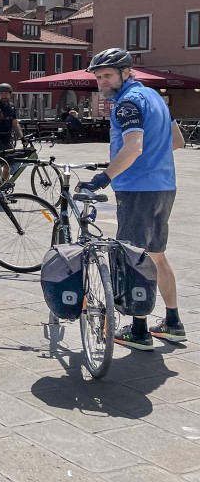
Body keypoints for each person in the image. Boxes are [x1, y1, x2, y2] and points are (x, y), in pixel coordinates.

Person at [77, 48, 186, 350]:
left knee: (132, 258)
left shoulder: (127, 103)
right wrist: (149, 160)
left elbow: (134, 146)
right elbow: (178, 141)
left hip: (137, 190)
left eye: (108, 75)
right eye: (98, 77)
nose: (102, 81)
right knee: (156, 255)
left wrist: (104, 178)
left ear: (127, 73)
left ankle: (139, 329)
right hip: (164, 186)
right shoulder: (155, 98)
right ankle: (173, 323)